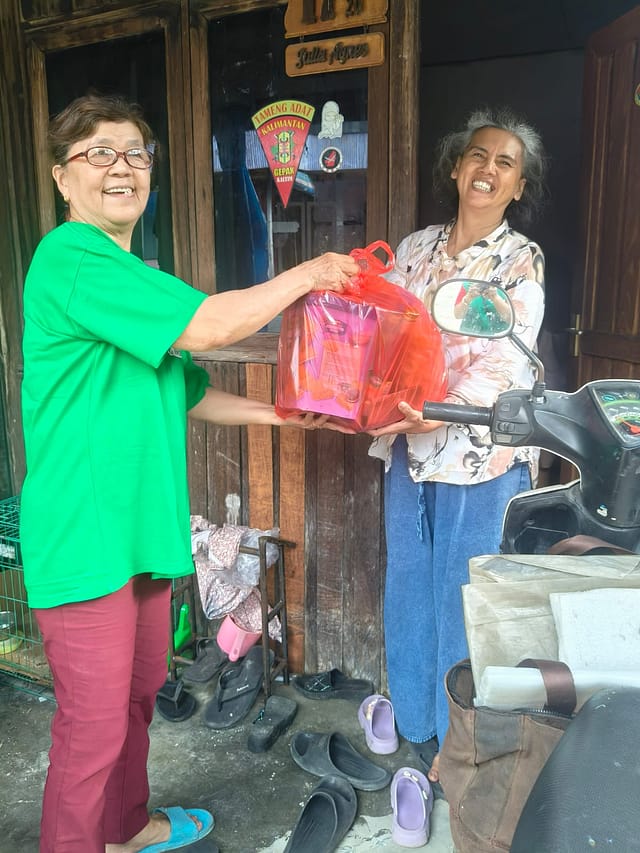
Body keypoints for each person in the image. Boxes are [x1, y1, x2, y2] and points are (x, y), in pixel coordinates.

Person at [19, 92, 358, 853]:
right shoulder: (71, 258)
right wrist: (309, 274)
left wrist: (283, 415)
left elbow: (188, 390)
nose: (122, 167)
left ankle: (127, 826)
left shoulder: (127, 276)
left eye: (135, 153)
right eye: (98, 153)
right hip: (84, 536)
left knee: (137, 698)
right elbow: (209, 325)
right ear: (62, 177)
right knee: (91, 727)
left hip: (140, 534)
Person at [368, 107, 547, 790]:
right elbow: (381, 332)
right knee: (409, 584)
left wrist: (429, 413)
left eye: (505, 163)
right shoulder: (415, 248)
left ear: (518, 186)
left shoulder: (520, 258)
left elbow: (505, 362)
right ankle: (416, 722)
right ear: (455, 167)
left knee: (462, 598)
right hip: (408, 449)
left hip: (478, 455)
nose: (487, 169)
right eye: (478, 155)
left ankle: (457, 743)